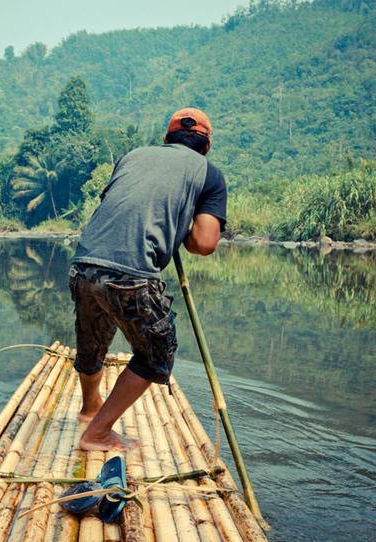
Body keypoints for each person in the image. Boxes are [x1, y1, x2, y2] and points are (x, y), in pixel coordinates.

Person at [69, 107, 227, 451]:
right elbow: (204, 242)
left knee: (92, 339)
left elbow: (121, 204)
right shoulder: (208, 173)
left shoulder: (133, 156)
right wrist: (183, 229)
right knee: (158, 350)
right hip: (132, 272)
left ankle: (89, 408)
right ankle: (96, 433)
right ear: (206, 146)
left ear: (167, 139)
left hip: (83, 264)